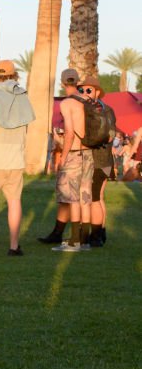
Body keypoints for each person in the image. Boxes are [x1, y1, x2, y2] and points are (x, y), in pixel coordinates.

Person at [0, 60, 35, 256]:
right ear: (14, 75)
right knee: (14, 201)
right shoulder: (23, 95)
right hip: (16, 157)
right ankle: (14, 246)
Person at [38, 69, 93, 251]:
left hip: (75, 152)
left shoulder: (67, 103)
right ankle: (85, 239)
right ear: (78, 82)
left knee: (72, 197)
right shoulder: (87, 100)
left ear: (62, 83)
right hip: (89, 153)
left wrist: (64, 155)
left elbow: (69, 132)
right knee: (85, 195)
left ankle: (74, 240)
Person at [76, 77, 116, 246]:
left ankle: (96, 235)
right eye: (81, 90)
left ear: (97, 92)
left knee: (93, 198)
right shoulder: (108, 110)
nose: (85, 93)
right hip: (105, 159)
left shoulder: (95, 110)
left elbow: (106, 136)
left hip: (97, 160)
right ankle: (100, 233)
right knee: (98, 197)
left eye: (89, 90)